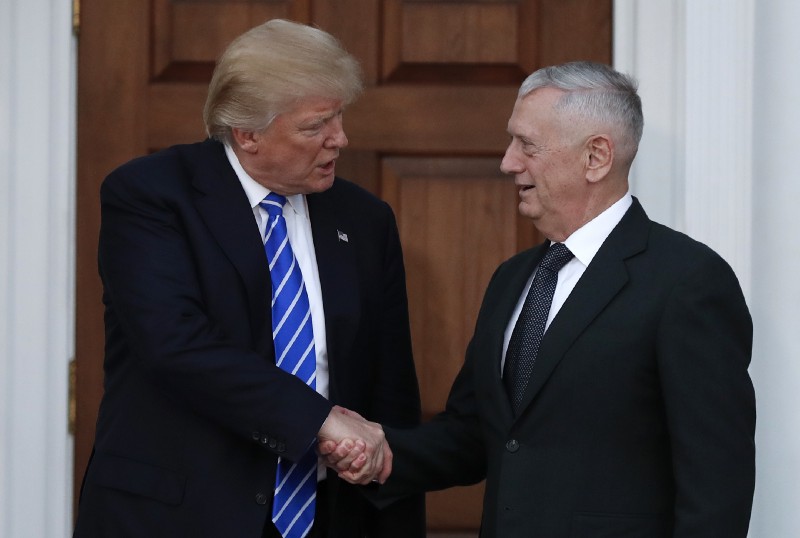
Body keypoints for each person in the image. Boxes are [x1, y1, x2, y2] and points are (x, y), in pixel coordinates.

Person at [323, 61, 756, 537]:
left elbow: (716, 488)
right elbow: (477, 434)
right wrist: (381, 454)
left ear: (596, 157)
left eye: (527, 145)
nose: (507, 162)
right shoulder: (513, 279)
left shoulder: (688, 282)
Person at [73, 19, 424, 538]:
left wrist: (392, 499)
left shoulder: (364, 218)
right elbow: (175, 344)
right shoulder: (153, 196)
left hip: (330, 513)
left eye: (340, 117)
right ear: (248, 133)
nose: (340, 139)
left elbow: (389, 382)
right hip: (179, 514)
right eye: (315, 126)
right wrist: (318, 420)